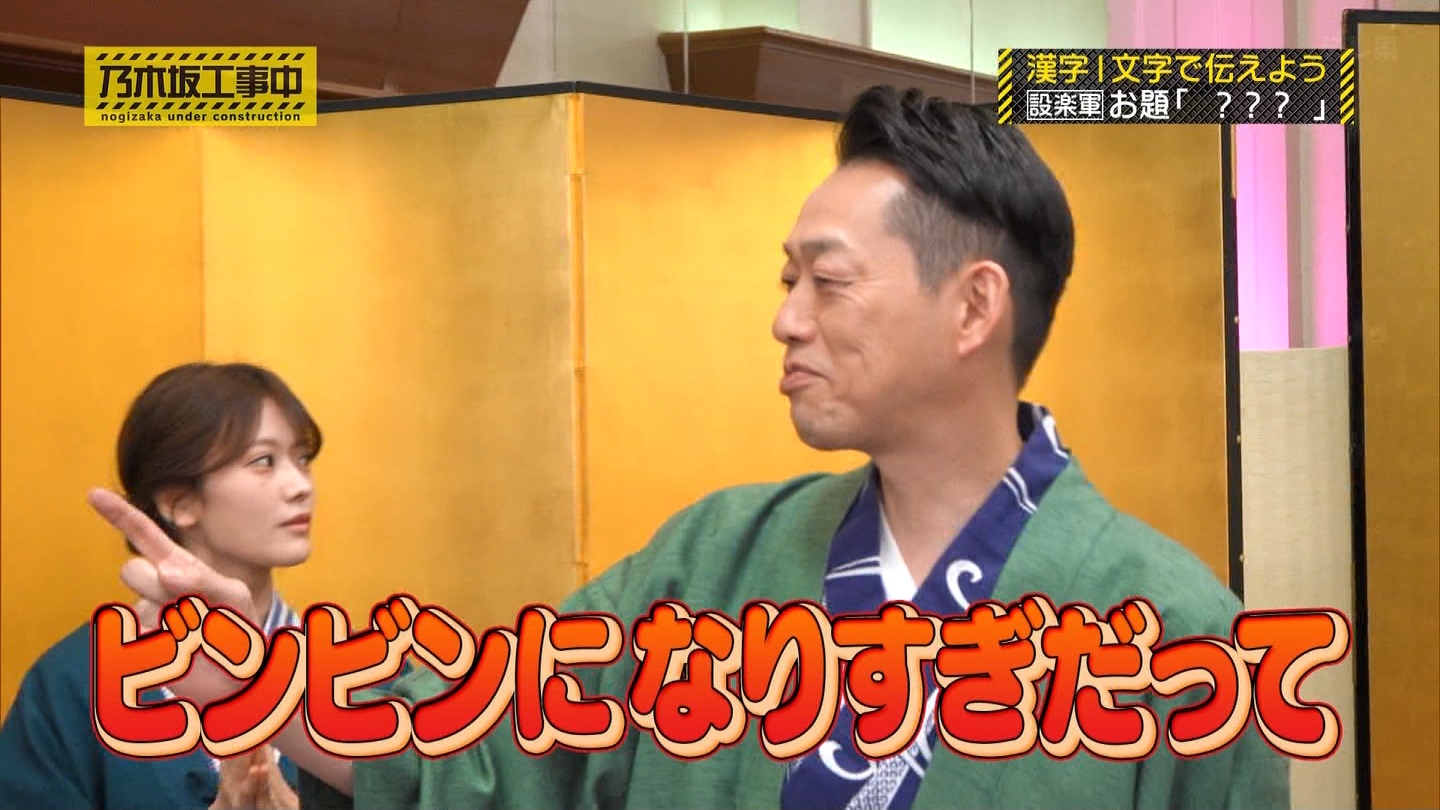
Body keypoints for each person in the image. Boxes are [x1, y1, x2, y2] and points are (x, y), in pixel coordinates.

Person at [92, 87, 1290, 809]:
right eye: (785, 279)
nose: (786, 318)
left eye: (827, 281)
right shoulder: (715, 562)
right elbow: (486, 744)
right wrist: (257, 680)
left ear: (974, 308)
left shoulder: (1175, 633)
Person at [0, 362, 320, 809]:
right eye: (263, 461)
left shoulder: (365, 679)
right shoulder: (72, 686)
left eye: (302, 459)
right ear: (179, 502)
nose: (301, 485)